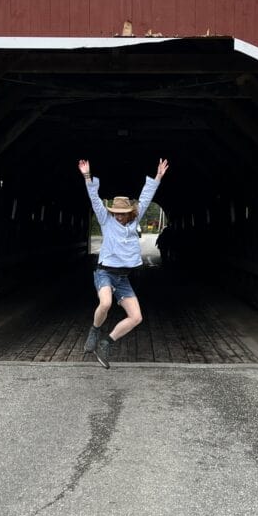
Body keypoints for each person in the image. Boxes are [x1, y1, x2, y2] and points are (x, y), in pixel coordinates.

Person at [78, 157, 169, 368]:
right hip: (105, 273)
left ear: (129, 213)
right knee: (106, 303)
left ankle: (106, 342)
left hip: (123, 279)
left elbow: (146, 197)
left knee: (137, 317)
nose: (118, 217)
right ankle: (94, 330)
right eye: (116, 214)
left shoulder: (135, 221)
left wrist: (157, 177)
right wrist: (87, 176)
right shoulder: (106, 220)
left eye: (122, 214)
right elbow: (94, 198)